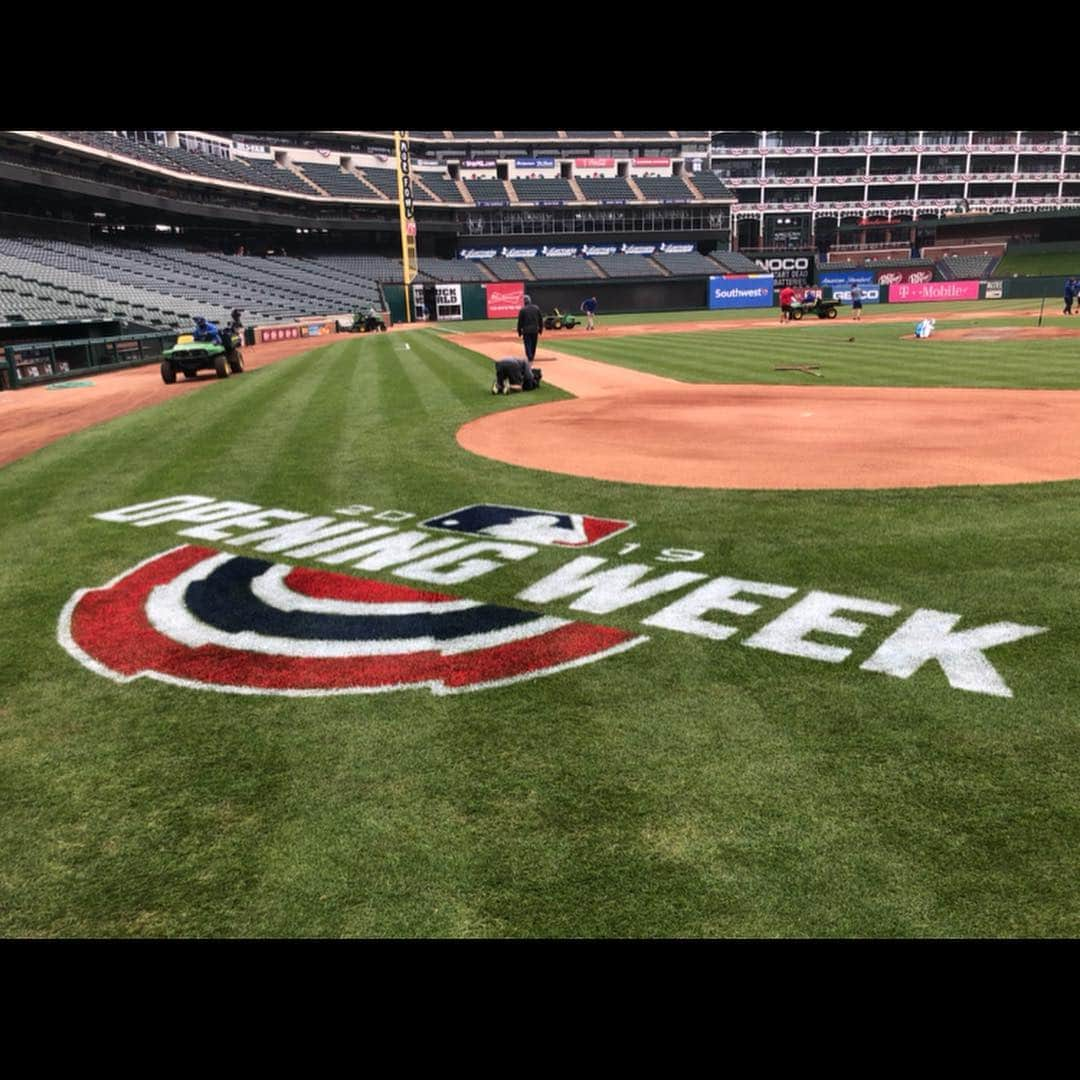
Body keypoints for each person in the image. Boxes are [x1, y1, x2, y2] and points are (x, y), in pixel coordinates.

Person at [517, 293, 543, 361]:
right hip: (535, 330)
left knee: (527, 344)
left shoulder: (522, 310)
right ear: (530, 301)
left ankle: (529, 356)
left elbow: (520, 322)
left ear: (524, 302)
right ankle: (532, 355)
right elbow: (540, 320)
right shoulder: (536, 308)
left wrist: (519, 331)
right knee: (534, 344)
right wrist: (540, 329)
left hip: (526, 330)